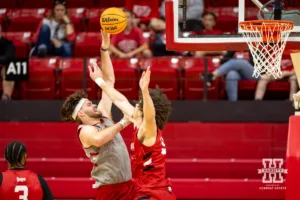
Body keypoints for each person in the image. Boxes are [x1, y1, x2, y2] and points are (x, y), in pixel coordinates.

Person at [60, 30, 139, 200]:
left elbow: (109, 82)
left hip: (130, 185)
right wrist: (125, 121)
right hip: (110, 190)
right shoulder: (85, 131)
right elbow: (98, 139)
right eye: (89, 104)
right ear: (80, 113)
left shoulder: (103, 116)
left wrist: (104, 49)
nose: (94, 104)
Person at [89, 64, 176, 199]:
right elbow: (120, 100)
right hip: (147, 191)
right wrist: (99, 81)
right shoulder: (138, 123)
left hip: (153, 193)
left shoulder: (148, 131)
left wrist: (145, 92)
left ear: (142, 111)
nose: (134, 105)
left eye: (138, 104)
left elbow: (150, 116)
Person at [0, 25, 16, 100]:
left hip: (2, 69)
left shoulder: (8, 44)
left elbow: (9, 58)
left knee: (10, 67)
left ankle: (6, 97)